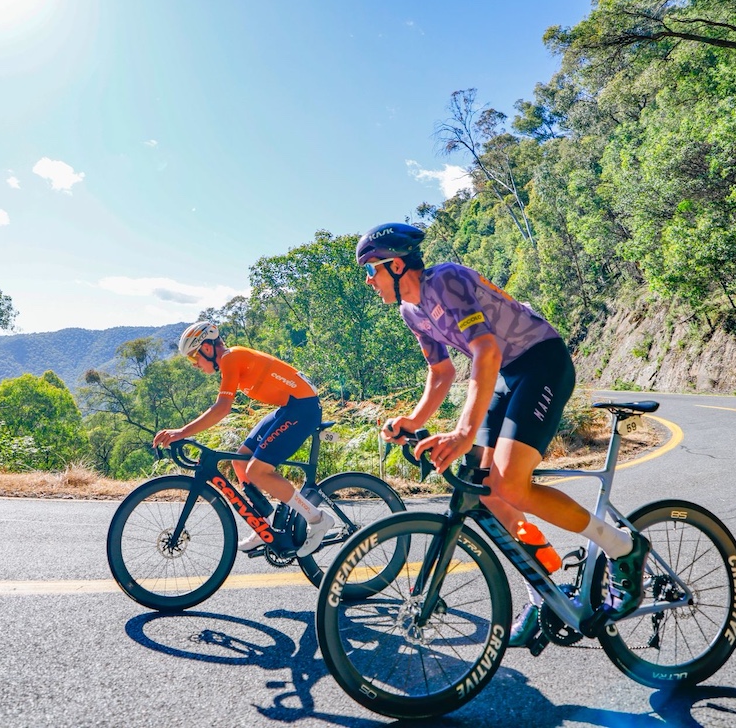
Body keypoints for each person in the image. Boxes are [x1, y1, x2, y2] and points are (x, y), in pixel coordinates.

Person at [356, 222, 650, 647]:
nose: (369, 281)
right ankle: (544, 593)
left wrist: (463, 431)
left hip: (541, 361)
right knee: (487, 492)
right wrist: (414, 421)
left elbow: (486, 350)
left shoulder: (446, 280)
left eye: (371, 270)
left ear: (396, 265)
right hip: (508, 375)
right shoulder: (412, 312)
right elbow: (441, 372)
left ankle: (623, 547)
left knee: (511, 483)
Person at [152, 321, 335, 557]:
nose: (194, 364)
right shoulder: (231, 360)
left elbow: (222, 408)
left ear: (206, 348)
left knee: (258, 471)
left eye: (193, 357)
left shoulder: (230, 358)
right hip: (290, 408)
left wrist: (181, 432)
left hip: (303, 409)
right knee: (240, 462)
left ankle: (317, 519)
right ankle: (263, 526)